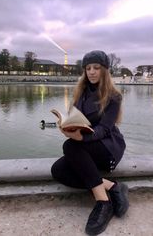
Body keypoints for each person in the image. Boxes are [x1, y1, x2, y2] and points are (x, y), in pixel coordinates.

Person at [51, 50, 129, 235]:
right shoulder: (81, 94)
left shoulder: (114, 96)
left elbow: (105, 129)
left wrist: (81, 138)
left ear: (105, 70)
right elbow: (77, 120)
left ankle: (103, 202)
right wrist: (68, 128)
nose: (92, 72)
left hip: (108, 146)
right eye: (88, 68)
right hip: (85, 146)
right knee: (58, 170)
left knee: (70, 147)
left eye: (96, 67)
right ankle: (113, 186)